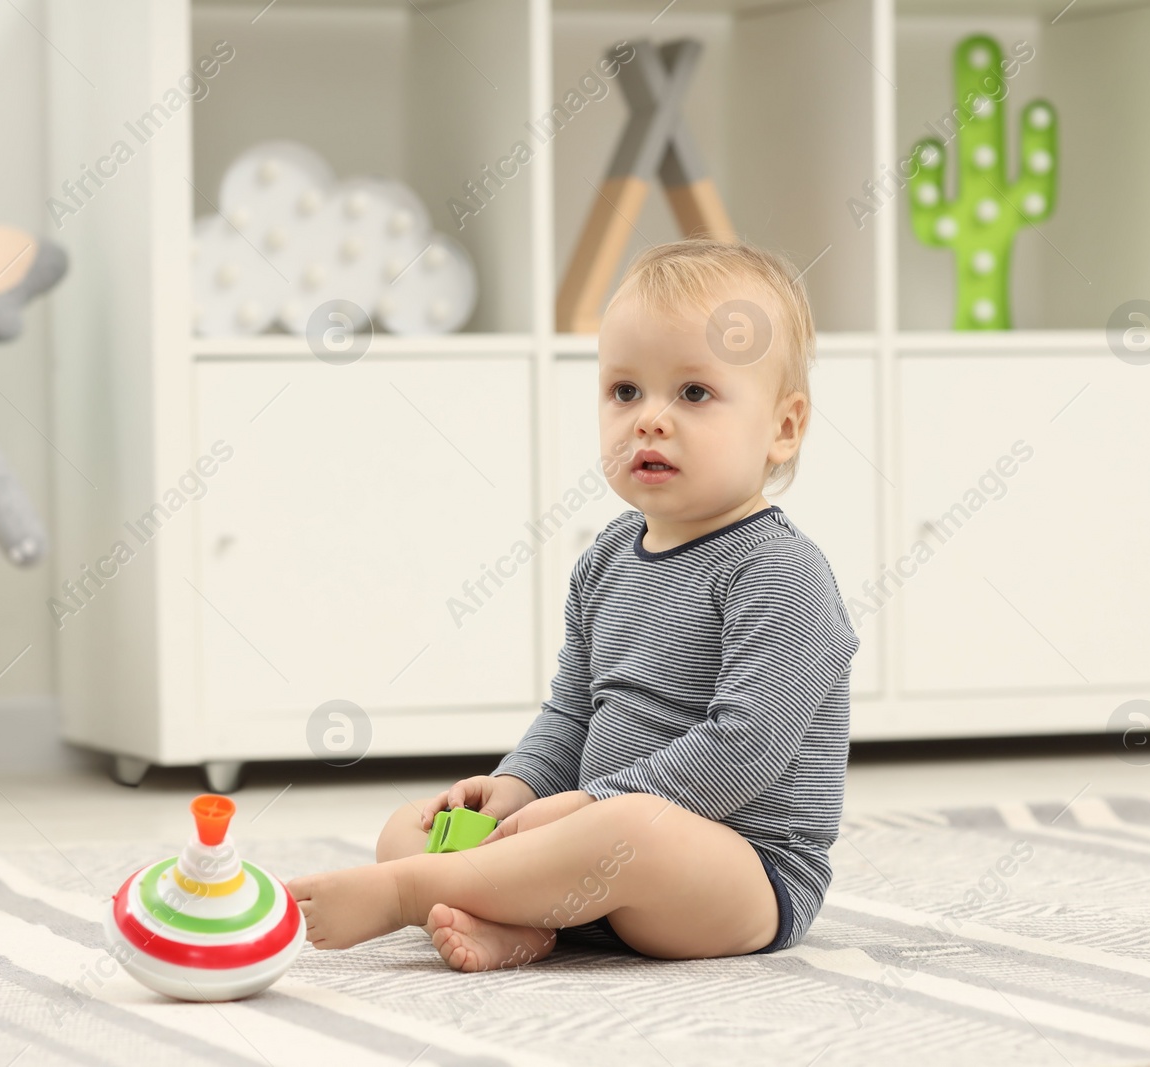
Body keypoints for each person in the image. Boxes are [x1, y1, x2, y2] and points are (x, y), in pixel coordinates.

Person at [288, 239, 860, 971]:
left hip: (738, 875)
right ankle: (513, 919)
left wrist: (590, 806)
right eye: (626, 392)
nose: (650, 420)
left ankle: (409, 893)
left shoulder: (780, 571)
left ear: (783, 428)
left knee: (635, 828)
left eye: (693, 393)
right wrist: (516, 785)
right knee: (414, 822)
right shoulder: (607, 557)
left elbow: (744, 746)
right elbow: (572, 713)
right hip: (596, 859)